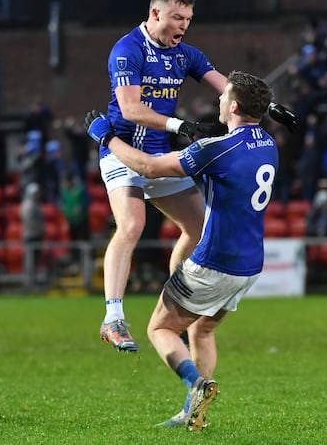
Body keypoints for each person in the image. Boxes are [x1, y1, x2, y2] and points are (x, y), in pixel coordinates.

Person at [86, 0, 295, 353]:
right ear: (156, 13)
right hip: (122, 153)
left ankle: (176, 298)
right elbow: (131, 109)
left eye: (188, 19)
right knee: (132, 224)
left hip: (160, 157)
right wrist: (178, 125)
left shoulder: (185, 54)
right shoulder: (127, 50)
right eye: (178, 17)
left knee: (198, 228)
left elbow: (229, 87)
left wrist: (269, 107)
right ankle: (113, 317)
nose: (184, 26)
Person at [98, 70, 278, 430]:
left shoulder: (217, 149)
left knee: (160, 329)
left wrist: (107, 139)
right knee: (202, 331)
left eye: (224, 95)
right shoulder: (268, 143)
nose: (220, 100)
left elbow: (149, 167)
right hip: (250, 266)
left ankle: (197, 384)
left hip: (214, 263)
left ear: (235, 105)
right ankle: (192, 413)